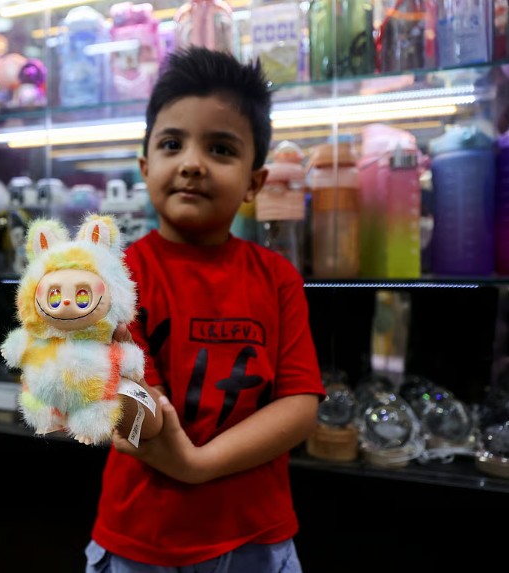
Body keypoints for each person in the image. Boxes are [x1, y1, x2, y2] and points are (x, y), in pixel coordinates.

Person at [87, 47, 325, 573]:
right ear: (146, 168)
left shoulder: (278, 278)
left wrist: (198, 464)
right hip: (141, 535)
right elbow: (136, 409)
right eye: (172, 144)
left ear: (254, 183)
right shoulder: (115, 277)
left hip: (255, 535)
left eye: (220, 149)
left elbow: (300, 405)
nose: (192, 163)